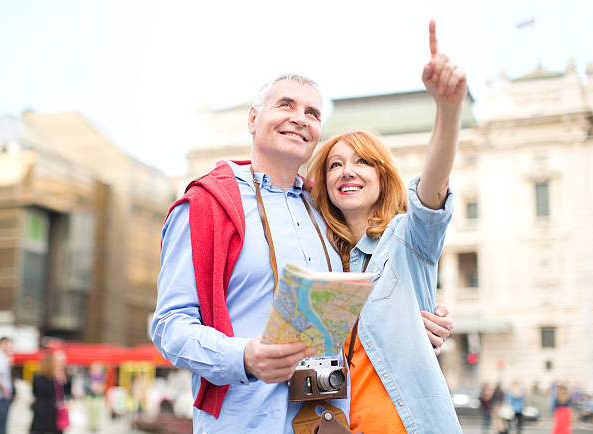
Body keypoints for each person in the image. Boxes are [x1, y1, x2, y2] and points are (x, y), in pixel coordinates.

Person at [151, 53, 453, 434]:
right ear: (252, 119)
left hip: (326, 423)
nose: (299, 118)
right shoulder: (207, 204)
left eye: (312, 113)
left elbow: (365, 288)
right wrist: (244, 357)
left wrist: (411, 321)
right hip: (245, 421)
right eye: (285, 105)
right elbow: (169, 325)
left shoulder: (327, 212)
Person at [306, 20, 464, 433]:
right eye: (335, 165)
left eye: (361, 161)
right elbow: (314, 383)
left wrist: (448, 110)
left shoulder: (407, 239)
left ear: (382, 177)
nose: (347, 171)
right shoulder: (321, 263)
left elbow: (433, 189)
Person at [30, 352, 69, 434]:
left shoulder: (36, 377)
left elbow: (34, 392)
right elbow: (62, 395)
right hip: (52, 412)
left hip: (39, 410)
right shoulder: (56, 379)